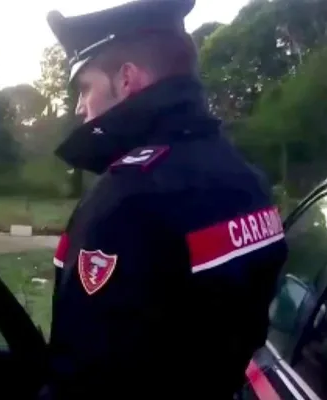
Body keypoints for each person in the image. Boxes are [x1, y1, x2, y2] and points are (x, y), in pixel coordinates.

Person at [45, 0, 288, 398]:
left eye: (85, 87)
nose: (79, 106)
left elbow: (86, 374)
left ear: (127, 79)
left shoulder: (127, 199)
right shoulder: (247, 179)